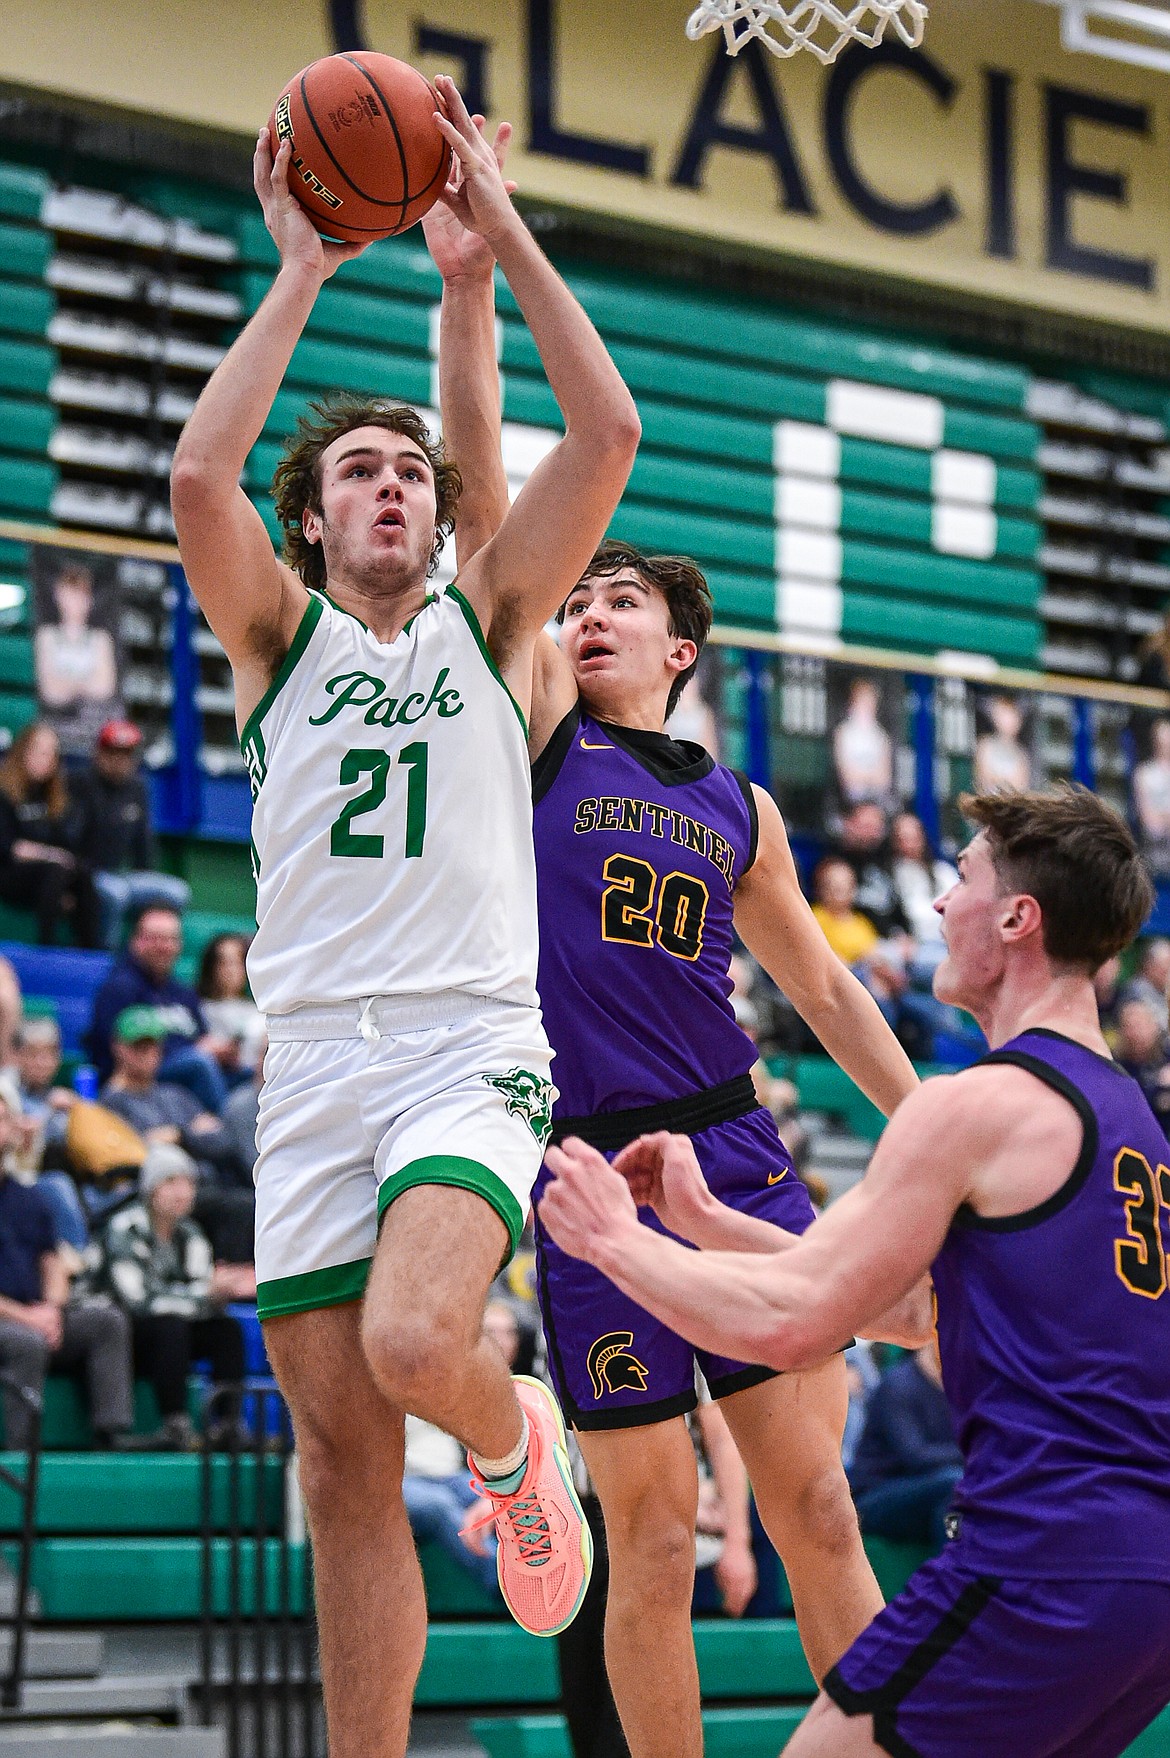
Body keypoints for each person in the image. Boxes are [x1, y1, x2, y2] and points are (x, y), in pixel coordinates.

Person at [169, 80, 639, 1756]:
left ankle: (514, 1441)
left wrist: (486, 244)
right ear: (313, 520)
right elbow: (198, 468)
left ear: (443, 514)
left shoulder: (493, 628)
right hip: (307, 1069)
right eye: (357, 473)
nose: (391, 488)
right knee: (339, 1471)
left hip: (461, 1047)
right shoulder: (274, 637)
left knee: (419, 1336)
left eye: (412, 473)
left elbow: (608, 436)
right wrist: (297, 263)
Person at [541, 784, 1170, 1758]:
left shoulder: (976, 1105)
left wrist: (616, 1243)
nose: (935, 907)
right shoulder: (1128, 1116)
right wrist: (706, 1220)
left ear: (1017, 916)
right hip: (1147, 1583)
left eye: (960, 881)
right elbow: (910, 1312)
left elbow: (793, 1324)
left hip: (1043, 1559)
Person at [439, 523, 918, 1754]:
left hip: (734, 1153)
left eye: (623, 601)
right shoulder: (542, 722)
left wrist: (926, 1123)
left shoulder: (737, 804)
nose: (589, 614)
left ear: (681, 646)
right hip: (592, 1173)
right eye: (579, 597)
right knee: (650, 1542)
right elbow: (506, 538)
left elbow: (824, 988)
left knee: (816, 1502)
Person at [0, 1084, 134, 1450]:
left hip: (35, 1315)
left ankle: (110, 1434)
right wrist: (29, 1318)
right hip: (11, 1323)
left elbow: (52, 1260)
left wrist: (53, 1309)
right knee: (25, 1342)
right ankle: (21, 1454)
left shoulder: (30, 1197)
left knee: (106, 1322)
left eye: (3, 1118)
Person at [97, 1142, 248, 1451]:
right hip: (122, 1333)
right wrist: (206, 1295)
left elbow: (199, 1288)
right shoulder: (124, 1227)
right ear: (151, 1189)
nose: (183, 1191)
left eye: (189, 1183)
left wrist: (220, 1292)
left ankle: (228, 1424)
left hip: (169, 1327)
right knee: (171, 1325)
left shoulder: (190, 1233)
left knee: (226, 1329)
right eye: (171, 1182)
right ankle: (174, 1423)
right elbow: (139, 1301)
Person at [99, 1007, 255, 1263]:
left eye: (153, 1046)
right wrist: (194, 1134)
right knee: (237, 1206)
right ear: (119, 1047)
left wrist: (180, 1136)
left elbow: (224, 1143)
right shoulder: (113, 1104)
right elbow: (140, 1152)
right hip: (162, 1190)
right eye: (138, 1046)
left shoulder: (176, 1094)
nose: (147, 1054)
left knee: (246, 1193)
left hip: (206, 1183)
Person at [85, 905, 233, 1109]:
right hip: (143, 1080)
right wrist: (193, 1050)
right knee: (200, 1063)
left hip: (186, 1085)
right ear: (136, 941)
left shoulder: (183, 993)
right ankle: (223, 1133)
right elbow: (110, 1049)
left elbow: (203, 1037)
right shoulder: (120, 988)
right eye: (156, 938)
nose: (164, 946)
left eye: (171, 939)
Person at [71, 718, 190, 949]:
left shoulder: (137, 788)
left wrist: (146, 875)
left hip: (123, 874)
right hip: (88, 874)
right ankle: (105, 957)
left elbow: (144, 843)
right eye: (113, 752)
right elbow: (71, 839)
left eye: (126, 754)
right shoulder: (80, 783)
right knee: (117, 894)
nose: (120, 761)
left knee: (178, 892)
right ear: (99, 753)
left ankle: (147, 953)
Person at [847, 1340, 963, 1550]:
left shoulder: (961, 1389)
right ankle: (958, 1572)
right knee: (954, 1483)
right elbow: (916, 1456)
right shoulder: (898, 1384)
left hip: (930, 1493)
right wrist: (975, 1451)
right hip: (875, 1496)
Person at [0, 721, 100, 947]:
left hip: (48, 875)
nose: (45, 759)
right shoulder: (3, 792)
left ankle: (91, 948)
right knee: (57, 869)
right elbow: (9, 847)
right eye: (40, 752)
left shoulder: (53, 797)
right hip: (9, 872)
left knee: (82, 872)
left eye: (51, 754)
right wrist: (53, 856)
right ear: (22, 752)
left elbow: (65, 843)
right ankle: (47, 943)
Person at [33, 557, 119, 752]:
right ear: (58, 594)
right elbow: (50, 692)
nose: (75, 600)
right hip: (56, 725)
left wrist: (66, 682)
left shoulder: (100, 639)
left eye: (81, 593)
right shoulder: (47, 636)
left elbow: (105, 688)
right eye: (70, 592)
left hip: (95, 727)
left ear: (90, 599)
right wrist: (86, 682)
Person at [196, 933, 265, 1080]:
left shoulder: (260, 1009)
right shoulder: (198, 1007)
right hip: (225, 1077)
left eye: (236, 962)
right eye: (223, 962)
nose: (230, 970)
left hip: (258, 1076)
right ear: (211, 966)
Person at [832, 678, 893, 813]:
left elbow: (884, 779)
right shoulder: (843, 733)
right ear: (852, 703)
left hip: (878, 804)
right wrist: (868, 777)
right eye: (862, 702)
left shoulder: (881, 736)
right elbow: (846, 777)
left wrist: (865, 778)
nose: (867, 707)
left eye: (870, 703)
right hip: (850, 804)